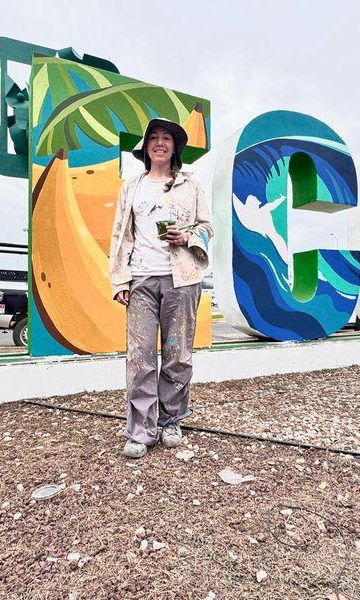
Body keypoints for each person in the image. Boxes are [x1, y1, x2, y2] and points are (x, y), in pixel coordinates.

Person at [109, 118, 213, 459]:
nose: (159, 142)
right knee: (139, 358)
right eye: (153, 137)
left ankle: (171, 420)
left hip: (182, 279)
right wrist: (120, 279)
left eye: (166, 137)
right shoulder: (132, 187)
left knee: (177, 355)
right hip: (140, 280)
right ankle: (140, 430)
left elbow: (208, 227)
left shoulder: (191, 185)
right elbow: (120, 236)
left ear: (175, 147)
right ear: (145, 147)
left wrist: (188, 237)